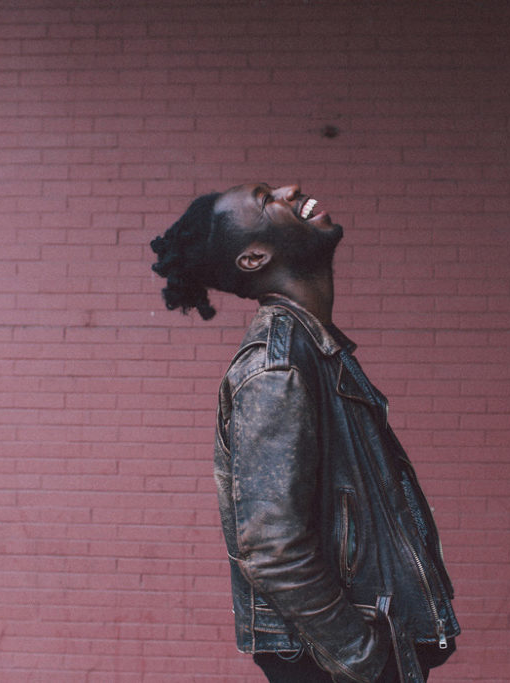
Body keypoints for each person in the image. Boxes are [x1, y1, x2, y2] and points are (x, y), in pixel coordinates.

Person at [150, 183, 459, 682]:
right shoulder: (277, 369)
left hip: (357, 649)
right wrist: (362, 656)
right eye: (265, 197)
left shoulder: (315, 351)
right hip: (336, 662)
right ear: (254, 258)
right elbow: (272, 548)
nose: (290, 189)